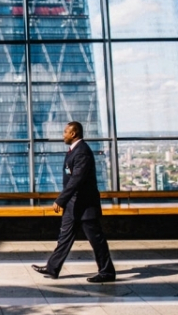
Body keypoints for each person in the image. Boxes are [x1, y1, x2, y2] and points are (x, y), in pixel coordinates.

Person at [32, 121, 116, 283]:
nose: (63, 135)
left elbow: (76, 179)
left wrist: (60, 199)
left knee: (96, 240)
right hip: (73, 205)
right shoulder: (74, 151)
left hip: (85, 205)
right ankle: (52, 267)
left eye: (65, 132)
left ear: (74, 133)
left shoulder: (82, 152)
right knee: (64, 237)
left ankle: (107, 272)